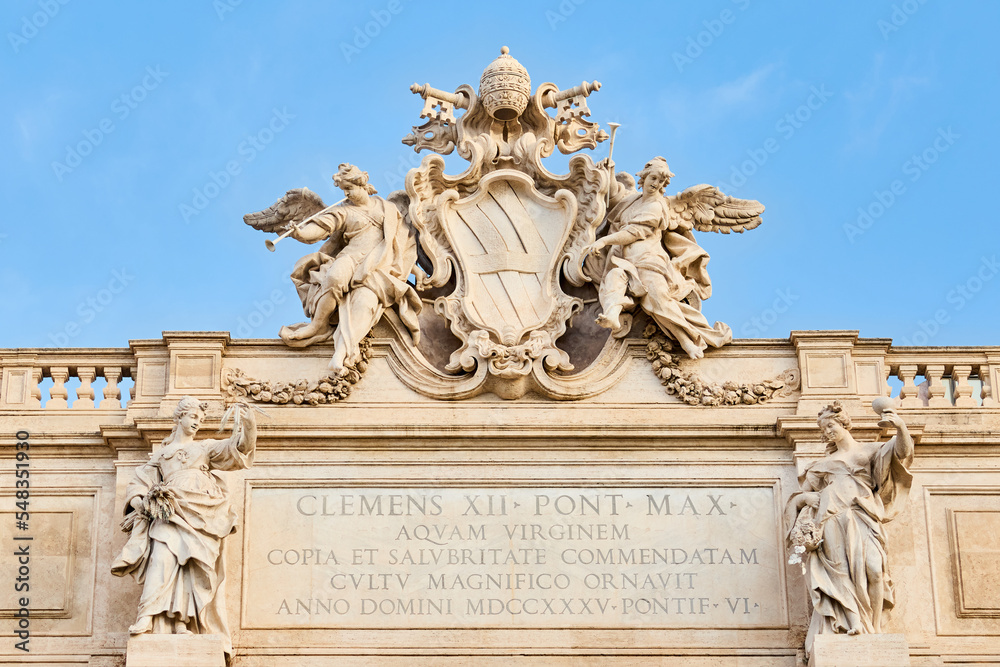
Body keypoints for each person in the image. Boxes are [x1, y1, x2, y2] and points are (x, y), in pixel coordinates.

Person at [112, 397, 256, 660]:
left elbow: (239, 449)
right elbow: (138, 483)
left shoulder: (206, 448)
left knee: (192, 567)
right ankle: (147, 616)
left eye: (200, 420)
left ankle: (182, 622)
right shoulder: (161, 455)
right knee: (162, 560)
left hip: (202, 513)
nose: (196, 423)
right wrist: (142, 502)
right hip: (169, 512)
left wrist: (246, 424)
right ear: (179, 418)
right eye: (192, 417)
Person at [785, 401, 914, 658]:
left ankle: (874, 627)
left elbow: (902, 453)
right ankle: (854, 622)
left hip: (862, 515)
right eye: (823, 429)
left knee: (874, 570)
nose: (827, 432)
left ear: (844, 423)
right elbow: (800, 499)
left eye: (830, 425)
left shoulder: (870, 452)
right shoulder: (822, 464)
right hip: (831, 518)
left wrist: (900, 427)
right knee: (840, 573)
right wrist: (804, 500)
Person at [278, 163, 421, 374]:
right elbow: (318, 229)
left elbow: (402, 243)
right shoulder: (342, 211)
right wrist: (300, 233)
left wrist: (414, 269)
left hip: (379, 264)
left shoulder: (387, 208)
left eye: (349, 188)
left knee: (364, 302)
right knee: (334, 277)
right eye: (343, 190)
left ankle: (343, 351)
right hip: (351, 257)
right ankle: (319, 324)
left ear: (362, 183)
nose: (346, 193)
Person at [583, 156, 731, 359]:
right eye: (653, 178)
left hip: (649, 261)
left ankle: (691, 340)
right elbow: (614, 197)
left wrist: (604, 241)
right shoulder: (633, 200)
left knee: (658, 302)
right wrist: (609, 171)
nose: (656, 184)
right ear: (643, 177)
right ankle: (612, 316)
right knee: (613, 279)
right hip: (626, 260)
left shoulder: (657, 206)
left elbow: (635, 232)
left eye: (661, 182)